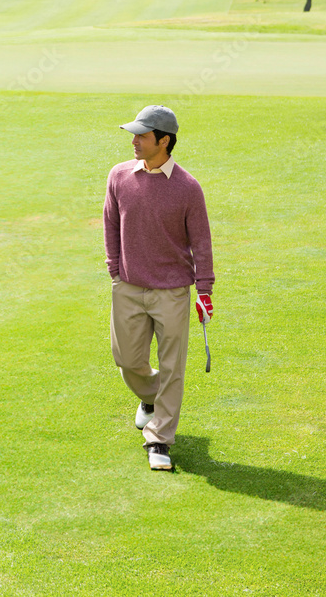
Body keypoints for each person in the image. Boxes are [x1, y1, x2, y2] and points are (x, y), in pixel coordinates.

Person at [103, 105, 214, 471]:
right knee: (128, 360)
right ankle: (150, 397)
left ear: (163, 141)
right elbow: (110, 225)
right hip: (129, 288)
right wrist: (115, 271)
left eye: (142, 135)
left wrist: (205, 289)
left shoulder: (187, 188)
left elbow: (201, 242)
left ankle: (160, 440)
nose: (134, 141)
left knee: (173, 367)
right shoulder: (119, 176)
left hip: (172, 292)